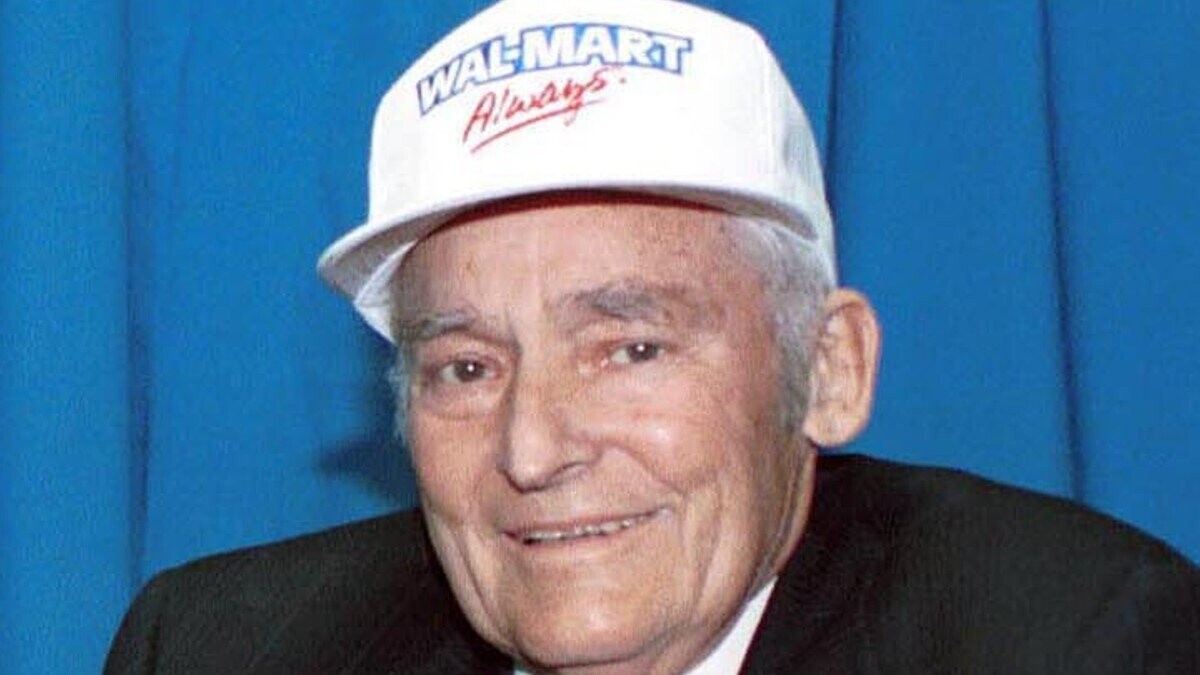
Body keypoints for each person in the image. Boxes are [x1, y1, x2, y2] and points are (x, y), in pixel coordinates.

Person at [105, 0, 1200, 673]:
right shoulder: (219, 648)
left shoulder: (1076, 640)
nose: (533, 449)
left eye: (630, 349)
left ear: (828, 369)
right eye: (466, 367)